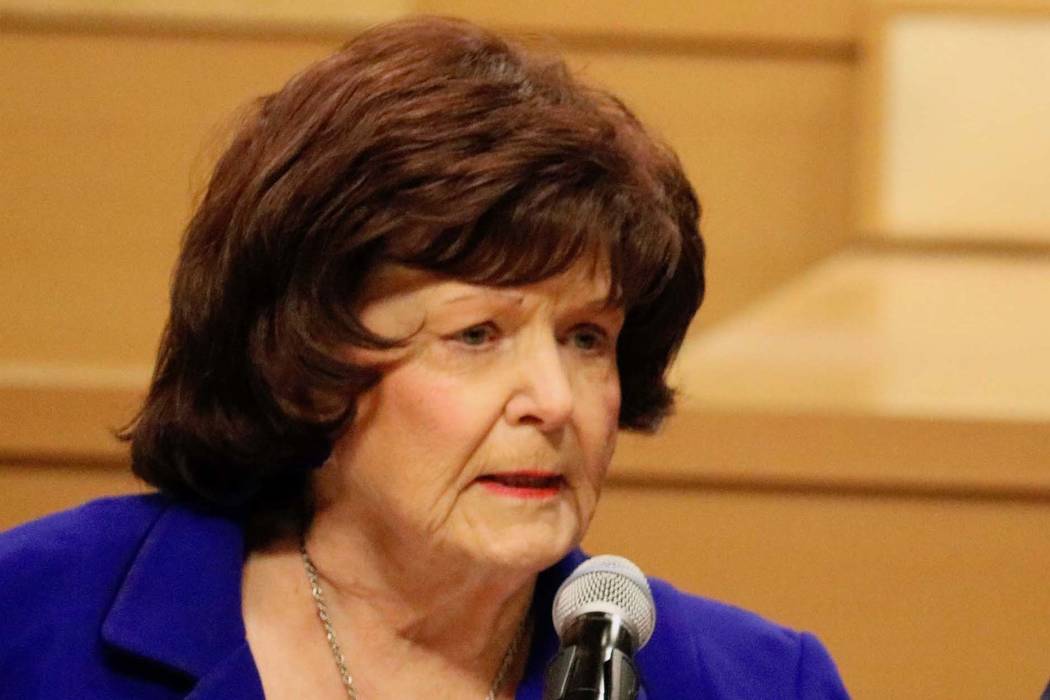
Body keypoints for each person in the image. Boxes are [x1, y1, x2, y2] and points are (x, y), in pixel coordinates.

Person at [0, 15, 848, 700]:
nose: (555, 401)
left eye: (586, 338)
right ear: (306, 361)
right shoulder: (32, 621)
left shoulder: (759, 683)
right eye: (476, 335)